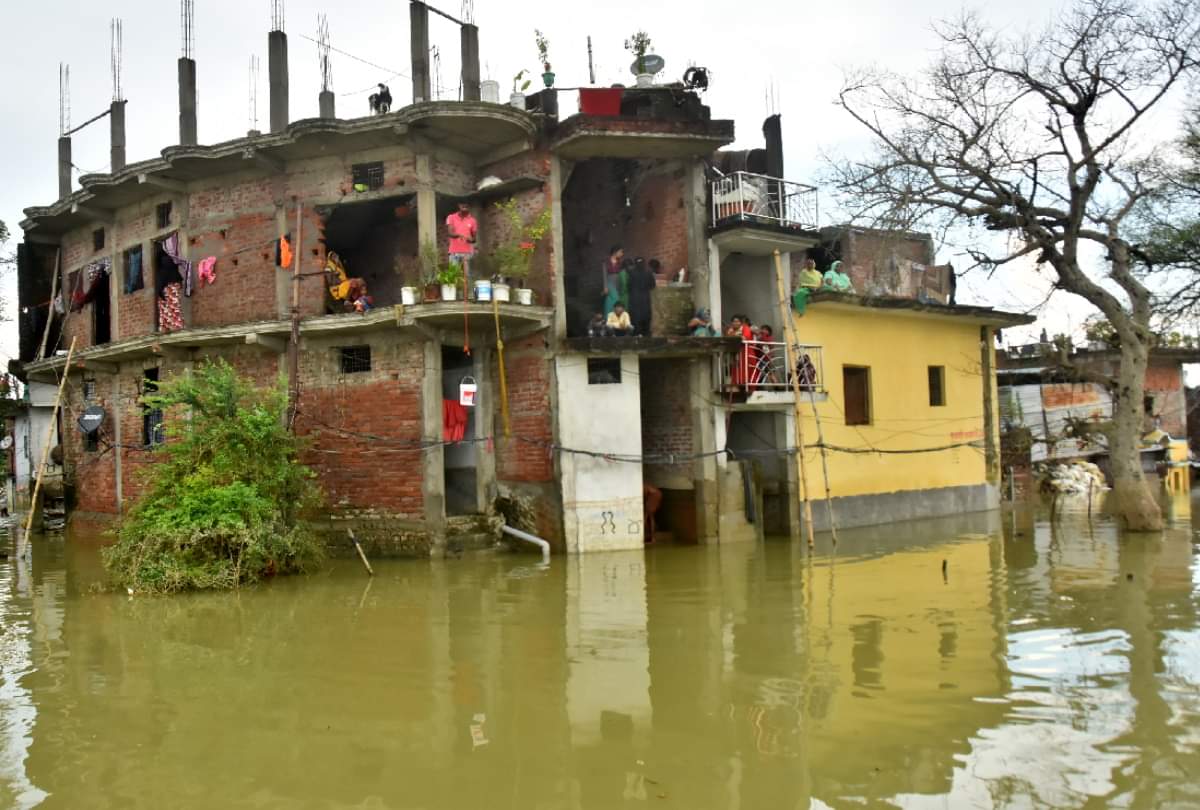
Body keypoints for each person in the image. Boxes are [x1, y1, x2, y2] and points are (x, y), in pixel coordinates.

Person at [445, 202, 477, 281]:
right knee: (453, 275)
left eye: (467, 206)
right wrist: (460, 235)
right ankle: (455, 293)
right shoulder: (451, 217)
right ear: (459, 206)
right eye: (463, 206)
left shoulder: (472, 220)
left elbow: (474, 239)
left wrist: (471, 240)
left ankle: (467, 293)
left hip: (467, 253)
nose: (465, 208)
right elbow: (450, 233)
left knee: (466, 276)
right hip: (454, 252)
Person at [627, 257, 656, 335]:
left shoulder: (631, 272)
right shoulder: (649, 272)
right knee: (646, 315)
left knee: (635, 317)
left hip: (634, 298)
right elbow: (653, 285)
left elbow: (628, 286)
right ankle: (646, 334)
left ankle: (636, 334)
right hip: (645, 298)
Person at [602, 245, 625, 315]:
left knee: (612, 301)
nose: (622, 254)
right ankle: (609, 318)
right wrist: (605, 287)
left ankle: (614, 319)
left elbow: (621, 275)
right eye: (620, 252)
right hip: (609, 283)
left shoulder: (620, 263)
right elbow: (604, 274)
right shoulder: (606, 261)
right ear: (615, 252)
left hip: (617, 284)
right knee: (614, 300)